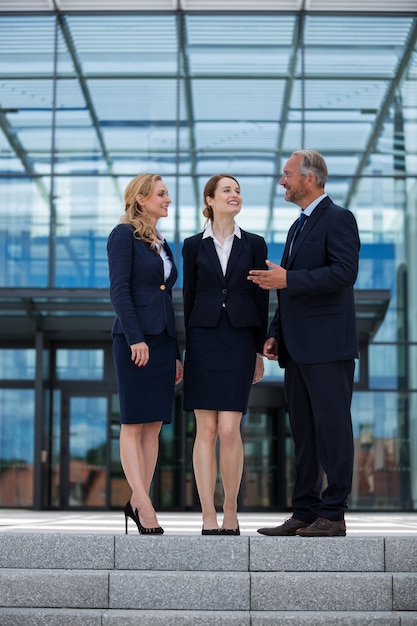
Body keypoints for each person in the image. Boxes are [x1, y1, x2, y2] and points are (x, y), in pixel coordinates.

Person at [248, 150, 360, 537]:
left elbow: (344, 273)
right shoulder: (298, 227)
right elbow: (287, 286)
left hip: (329, 348)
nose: (282, 181)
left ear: (309, 179)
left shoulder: (339, 219)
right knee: (306, 433)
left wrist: (289, 281)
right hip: (297, 348)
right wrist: (276, 330)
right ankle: (306, 511)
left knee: (332, 429)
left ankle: (334, 513)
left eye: (287, 174)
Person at [182, 174, 269, 535]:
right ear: (210, 200)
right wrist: (185, 349)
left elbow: (262, 299)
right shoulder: (191, 246)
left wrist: (258, 351)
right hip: (203, 341)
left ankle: (230, 511)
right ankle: (206, 516)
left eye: (238, 190)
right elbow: (187, 301)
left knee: (230, 429)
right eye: (227, 191)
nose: (235, 195)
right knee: (206, 429)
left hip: (238, 341)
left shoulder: (255, 244)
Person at [107, 173, 183, 535]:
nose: (168, 199)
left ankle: (138, 501)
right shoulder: (123, 235)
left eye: (167, 194)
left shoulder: (163, 242)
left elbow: (166, 296)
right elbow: (120, 291)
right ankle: (143, 503)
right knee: (133, 422)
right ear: (140, 199)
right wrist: (136, 338)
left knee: (153, 424)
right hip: (135, 340)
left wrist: (177, 351)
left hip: (164, 341)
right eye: (161, 194)